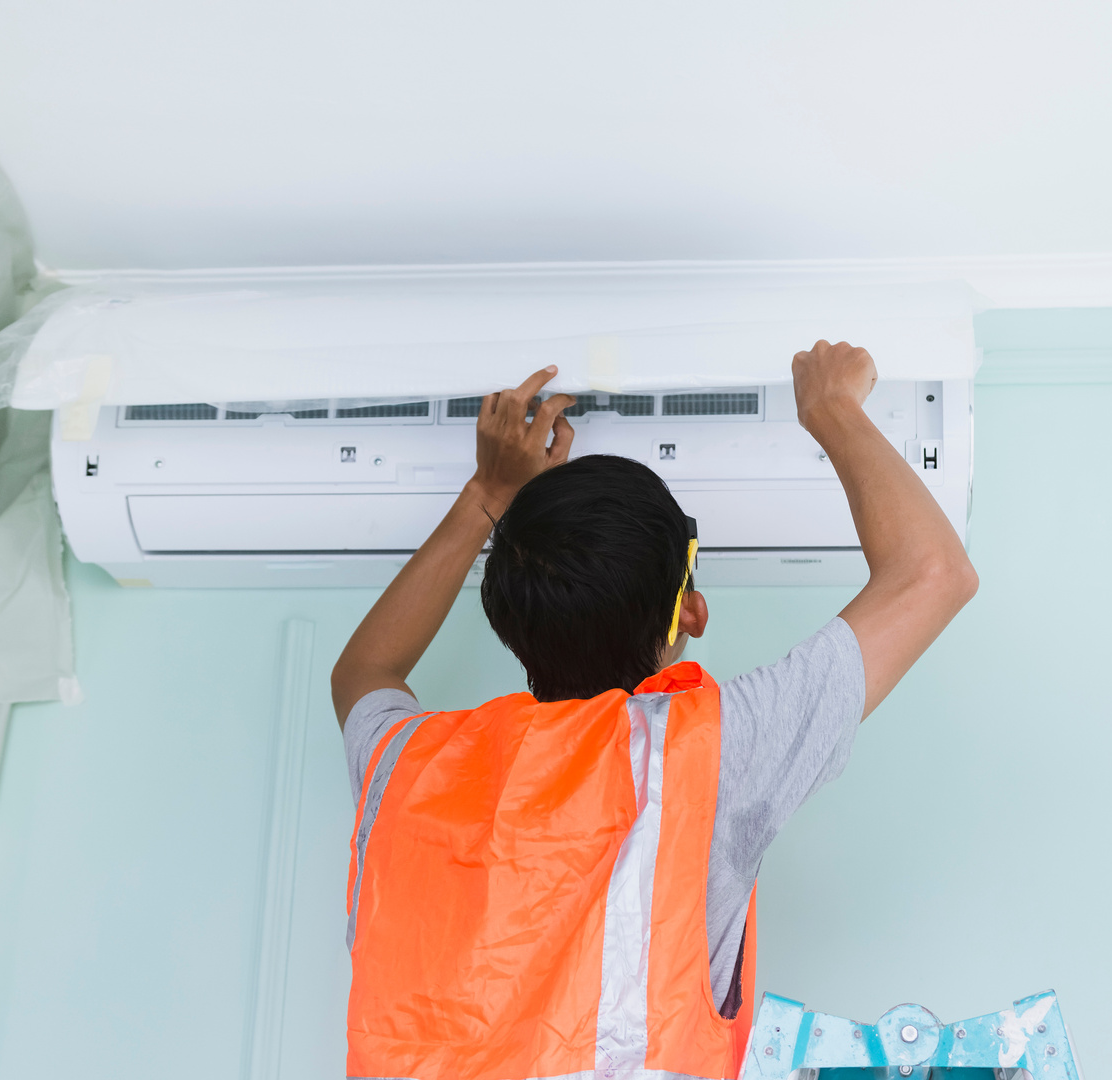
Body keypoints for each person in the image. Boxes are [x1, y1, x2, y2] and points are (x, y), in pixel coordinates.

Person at [331, 340, 978, 1080]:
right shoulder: (707, 752)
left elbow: (366, 669)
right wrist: (830, 406)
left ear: (509, 623)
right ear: (690, 613)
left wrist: (486, 497)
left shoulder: (407, 766)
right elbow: (933, 574)